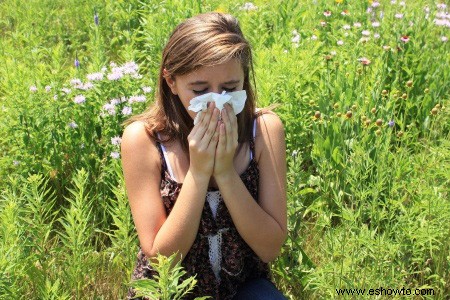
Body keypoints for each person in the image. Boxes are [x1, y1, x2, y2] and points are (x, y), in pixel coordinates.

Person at [121, 12, 287, 300]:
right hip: (169, 290)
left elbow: (270, 248)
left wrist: (225, 173)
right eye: (200, 90)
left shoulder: (264, 130)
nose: (217, 100)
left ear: (244, 80)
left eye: (230, 88)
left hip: (243, 286)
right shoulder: (144, 139)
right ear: (171, 82)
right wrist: (198, 174)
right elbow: (163, 262)